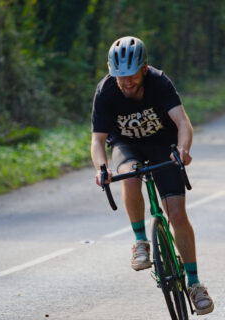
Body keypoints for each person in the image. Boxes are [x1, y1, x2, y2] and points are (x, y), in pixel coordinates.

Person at [91, 36, 214, 315]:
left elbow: (183, 123)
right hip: (126, 145)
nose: (126, 82)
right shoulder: (106, 91)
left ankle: (194, 284)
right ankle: (140, 241)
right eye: (119, 77)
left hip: (163, 146)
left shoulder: (159, 82)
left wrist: (182, 150)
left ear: (144, 69)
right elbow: (97, 141)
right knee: (130, 176)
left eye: (131, 76)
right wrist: (101, 168)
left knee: (177, 213)